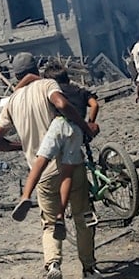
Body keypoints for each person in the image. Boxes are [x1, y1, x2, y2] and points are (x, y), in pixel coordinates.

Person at [0, 53, 101, 279]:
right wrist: (82, 125)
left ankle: (53, 265)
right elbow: (61, 103)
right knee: (82, 216)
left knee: (49, 224)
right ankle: (89, 271)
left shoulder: (12, 102)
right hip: (68, 159)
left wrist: (22, 145)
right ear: (36, 68)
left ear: (15, 74)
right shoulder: (47, 85)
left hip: (41, 171)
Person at [10, 63, 100, 228]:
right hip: (77, 131)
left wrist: (32, 79)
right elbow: (95, 104)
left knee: (41, 161)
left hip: (59, 125)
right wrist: (90, 124)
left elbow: (22, 87)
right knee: (68, 175)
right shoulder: (79, 91)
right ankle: (60, 214)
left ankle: (25, 196)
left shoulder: (53, 90)